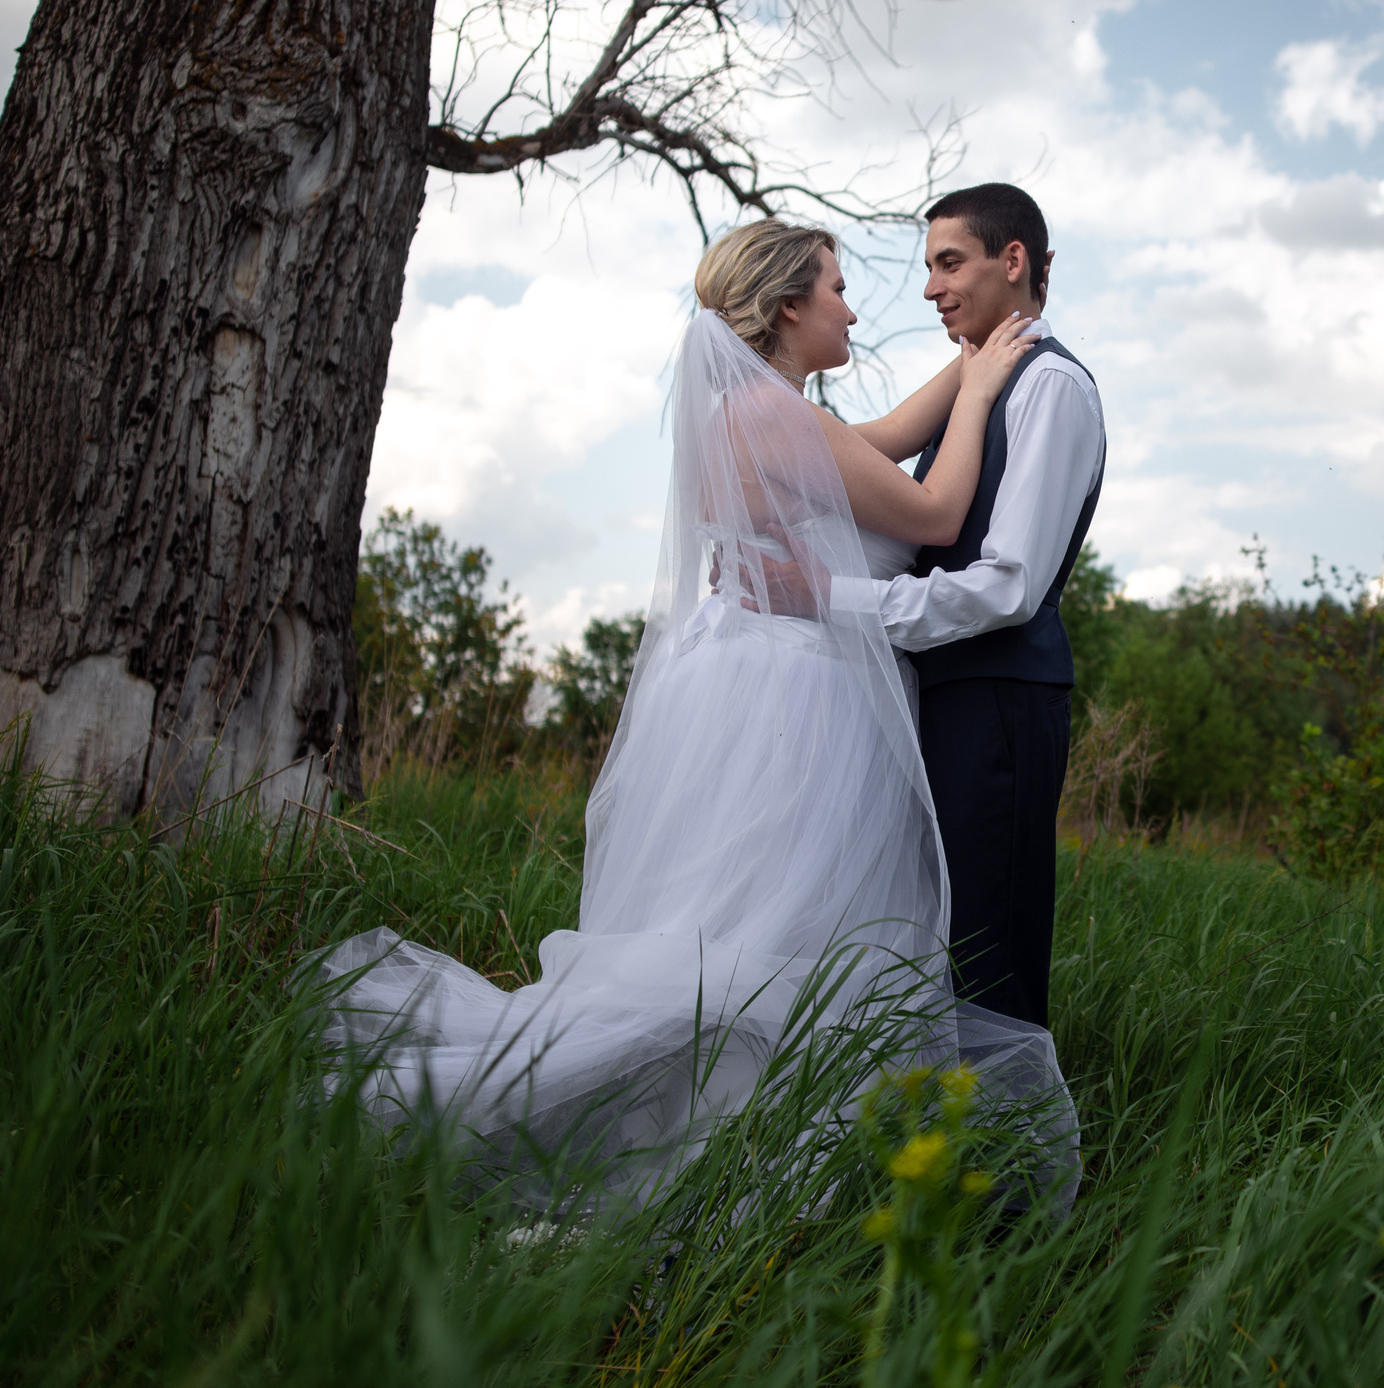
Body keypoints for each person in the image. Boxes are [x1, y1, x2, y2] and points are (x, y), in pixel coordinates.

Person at [309, 217, 1073, 1209]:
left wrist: (976, 351)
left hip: (750, 683)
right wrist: (976, 393)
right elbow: (931, 514)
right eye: (837, 289)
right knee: (781, 927)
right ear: (789, 306)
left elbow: (884, 440)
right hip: (800, 696)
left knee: (749, 922)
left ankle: (727, 1125)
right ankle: (722, 1147)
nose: (852, 310)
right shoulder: (773, 416)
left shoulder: (756, 412)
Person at [829, 184, 1106, 1030]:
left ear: (1013, 260)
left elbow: (1007, 587)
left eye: (949, 263)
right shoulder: (979, 382)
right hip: (945, 695)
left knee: (989, 957)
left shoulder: (1049, 387)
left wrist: (837, 602)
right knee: (937, 944)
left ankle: (1009, 1121)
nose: (930, 288)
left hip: (999, 702)